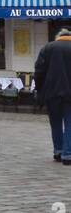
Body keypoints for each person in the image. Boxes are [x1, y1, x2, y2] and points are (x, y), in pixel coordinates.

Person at [34, 27, 71, 165]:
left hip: (52, 93)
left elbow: (38, 71)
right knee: (70, 123)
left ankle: (58, 151)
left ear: (58, 37)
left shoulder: (47, 48)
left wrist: (39, 89)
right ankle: (68, 155)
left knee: (55, 122)